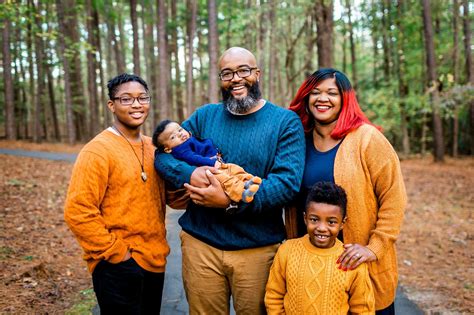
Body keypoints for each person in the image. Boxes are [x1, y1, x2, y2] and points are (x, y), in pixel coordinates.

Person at [154, 47, 305, 314]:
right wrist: (190, 174)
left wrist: (229, 201)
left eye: (243, 70)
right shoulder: (204, 116)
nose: (236, 78)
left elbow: (287, 184)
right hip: (201, 244)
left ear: (257, 74)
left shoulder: (285, 122)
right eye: (227, 73)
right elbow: (163, 156)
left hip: (257, 248)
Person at [287, 68, 407, 314]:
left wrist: (374, 247)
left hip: (357, 266)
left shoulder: (367, 139)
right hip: (310, 265)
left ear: (345, 99)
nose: (322, 99)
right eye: (315, 92)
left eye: (332, 93)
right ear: (306, 98)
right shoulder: (297, 141)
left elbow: (394, 198)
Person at [64, 73, 169, 314]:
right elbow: (77, 212)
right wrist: (118, 254)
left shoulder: (153, 147)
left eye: (142, 97)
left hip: (155, 260)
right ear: (112, 105)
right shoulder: (97, 151)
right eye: (126, 99)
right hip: (116, 264)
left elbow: (167, 197)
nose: (136, 104)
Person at [265, 182, 375, 314]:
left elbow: (363, 309)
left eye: (331, 222)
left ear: (342, 223)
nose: (322, 228)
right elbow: (274, 297)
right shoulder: (287, 251)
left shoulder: (351, 260)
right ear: (305, 218)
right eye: (314, 219)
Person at [152, 119, 262, 203]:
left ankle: (247, 181)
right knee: (226, 180)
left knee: (234, 169)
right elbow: (194, 158)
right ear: (167, 149)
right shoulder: (180, 150)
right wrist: (212, 162)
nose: (180, 134)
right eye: (173, 137)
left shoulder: (189, 138)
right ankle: (241, 193)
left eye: (180, 129)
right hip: (209, 171)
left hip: (217, 163)